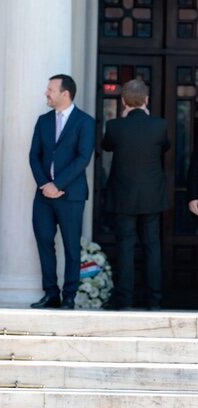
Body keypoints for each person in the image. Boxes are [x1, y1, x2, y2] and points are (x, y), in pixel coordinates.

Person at [101, 79, 169, 311]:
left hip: (123, 196)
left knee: (125, 247)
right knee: (152, 247)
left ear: (123, 102)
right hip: (151, 196)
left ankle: (126, 301)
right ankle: (155, 301)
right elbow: (166, 146)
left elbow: (106, 146)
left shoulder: (114, 127)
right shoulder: (159, 126)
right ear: (147, 101)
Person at [28, 74, 95, 309]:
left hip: (71, 195)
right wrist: (45, 184)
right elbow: (34, 156)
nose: (47, 93)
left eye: (50, 90)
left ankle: (69, 296)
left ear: (65, 94)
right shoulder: (43, 120)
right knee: (44, 241)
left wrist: (59, 185)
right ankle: (51, 293)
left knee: (71, 246)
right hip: (43, 195)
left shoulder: (85, 122)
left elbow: (83, 158)